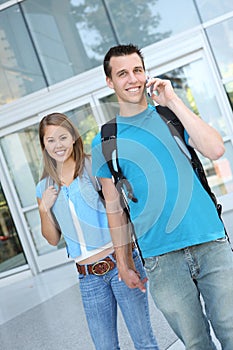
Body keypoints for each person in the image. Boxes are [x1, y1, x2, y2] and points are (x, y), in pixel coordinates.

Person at [91, 44, 233, 350]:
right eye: (122, 73)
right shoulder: (105, 140)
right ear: (109, 82)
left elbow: (215, 149)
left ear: (146, 73)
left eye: (138, 70)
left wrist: (172, 100)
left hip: (210, 242)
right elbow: (114, 208)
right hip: (161, 259)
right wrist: (124, 262)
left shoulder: (172, 116)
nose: (132, 79)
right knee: (196, 344)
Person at [36, 112, 159, 350]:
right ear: (43, 145)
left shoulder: (94, 166)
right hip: (88, 276)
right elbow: (52, 240)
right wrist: (43, 209)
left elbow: (119, 211)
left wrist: (126, 261)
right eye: (50, 140)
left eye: (62, 137)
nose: (57, 145)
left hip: (120, 261)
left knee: (144, 342)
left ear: (73, 137)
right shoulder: (44, 188)